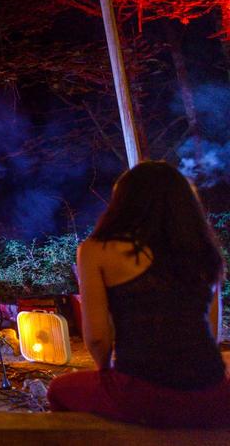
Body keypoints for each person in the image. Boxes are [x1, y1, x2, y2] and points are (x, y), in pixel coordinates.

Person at [48, 161, 230, 428]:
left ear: (124, 202)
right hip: (212, 392)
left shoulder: (96, 250)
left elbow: (98, 338)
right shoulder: (203, 250)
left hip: (143, 392)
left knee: (59, 390)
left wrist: (108, 376)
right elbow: (213, 333)